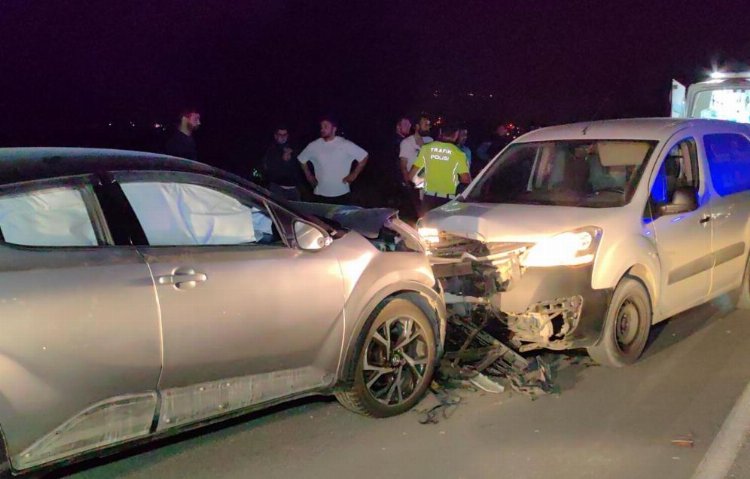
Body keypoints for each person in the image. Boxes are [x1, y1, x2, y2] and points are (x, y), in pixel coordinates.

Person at [298, 116, 368, 205]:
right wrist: (309, 176)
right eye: (321, 127)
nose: (322, 129)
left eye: (325, 126)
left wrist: (354, 175)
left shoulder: (345, 144)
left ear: (334, 129)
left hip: (342, 193)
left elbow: (364, 156)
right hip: (320, 193)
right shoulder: (314, 145)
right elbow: (301, 159)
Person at [409, 124, 471, 212]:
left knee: (427, 221)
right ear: (456, 135)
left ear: (441, 132)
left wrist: (421, 180)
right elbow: (466, 179)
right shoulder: (459, 153)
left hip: (428, 199)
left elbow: (411, 175)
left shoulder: (426, 148)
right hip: (448, 200)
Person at [261, 125, 302, 201]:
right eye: (280, 135)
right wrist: (283, 160)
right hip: (277, 188)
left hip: (293, 189)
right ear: (275, 136)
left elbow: (298, 167)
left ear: (287, 135)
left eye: (285, 135)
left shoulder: (294, 148)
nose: (283, 137)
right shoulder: (271, 150)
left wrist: (290, 158)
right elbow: (268, 169)